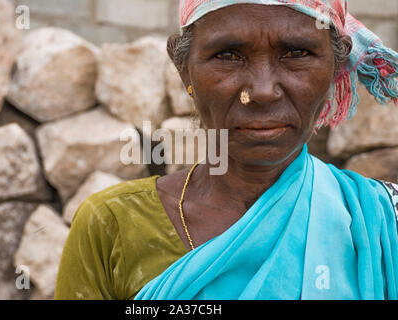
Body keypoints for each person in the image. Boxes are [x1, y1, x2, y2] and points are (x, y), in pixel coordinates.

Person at [54, 0, 398, 300]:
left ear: (335, 67)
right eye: (228, 55)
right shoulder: (111, 225)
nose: (262, 91)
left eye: (296, 53)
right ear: (183, 67)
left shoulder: (382, 223)